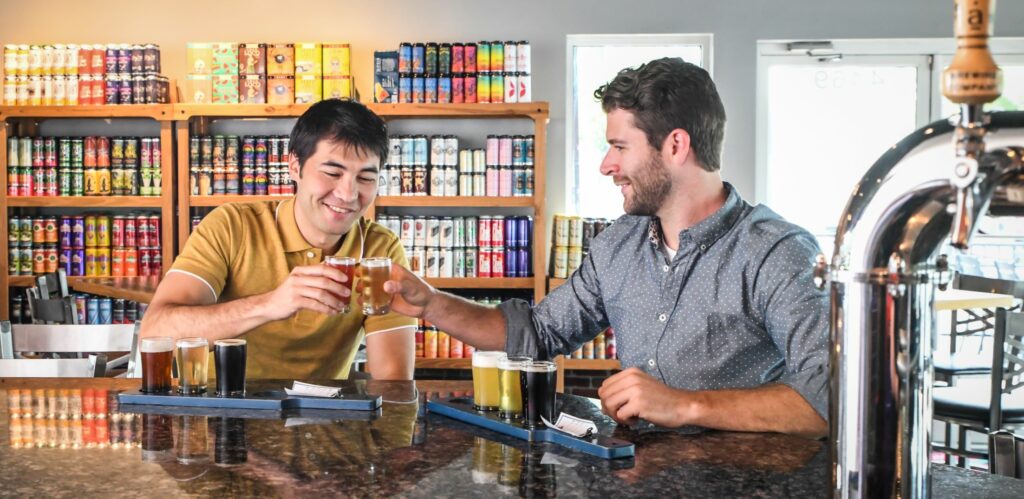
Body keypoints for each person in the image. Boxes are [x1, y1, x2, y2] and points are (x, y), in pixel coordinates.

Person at [383, 58, 829, 436]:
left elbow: (829, 396)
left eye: (619, 146)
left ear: (676, 145)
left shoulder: (777, 252)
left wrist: (686, 406)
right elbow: (536, 335)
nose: (605, 165)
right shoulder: (618, 244)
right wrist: (431, 304)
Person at [140, 99, 416, 381]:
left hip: (324, 420)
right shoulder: (232, 225)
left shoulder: (380, 249)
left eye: (366, 177)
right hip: (222, 415)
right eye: (332, 173)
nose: (348, 194)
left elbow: (394, 382)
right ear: (294, 166)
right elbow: (155, 333)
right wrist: (271, 305)